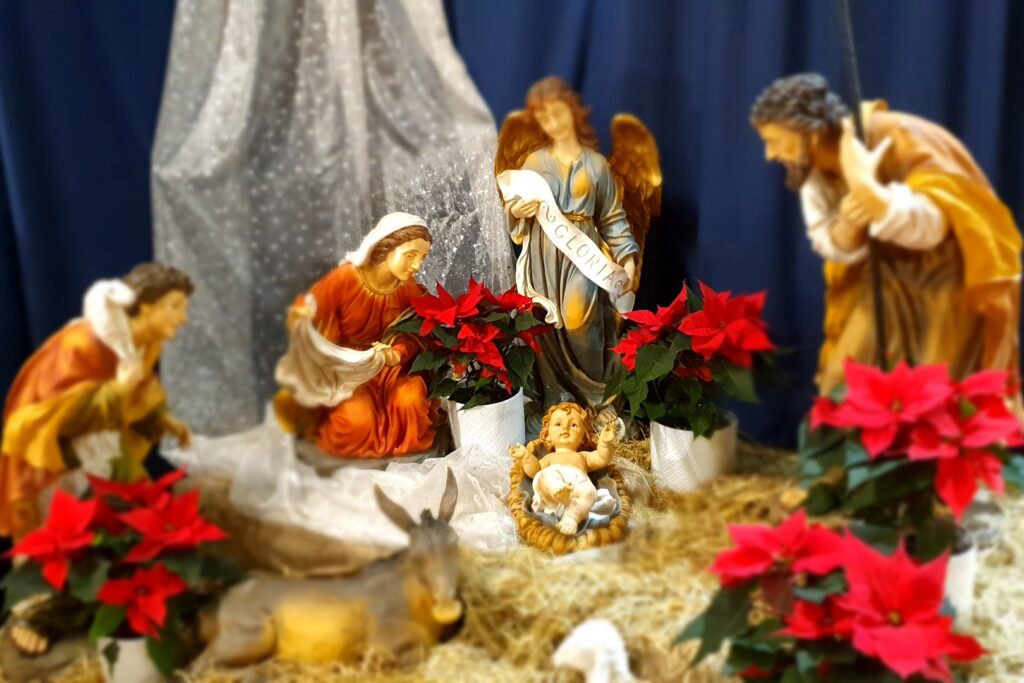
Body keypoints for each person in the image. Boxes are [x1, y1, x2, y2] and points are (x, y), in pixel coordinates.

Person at [751, 73, 1022, 394]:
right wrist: (848, 227)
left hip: (946, 284)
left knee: (935, 395)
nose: (770, 154)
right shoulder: (811, 170)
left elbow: (941, 222)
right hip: (880, 280)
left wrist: (871, 194)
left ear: (810, 132)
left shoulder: (901, 136)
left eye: (774, 141)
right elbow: (826, 237)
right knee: (843, 385)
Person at [0, 263, 194, 538]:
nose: (184, 318)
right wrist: (118, 390)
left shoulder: (147, 343)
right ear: (146, 306)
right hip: (59, 458)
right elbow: (58, 417)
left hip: (107, 445)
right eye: (175, 306)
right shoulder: (80, 344)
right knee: (80, 526)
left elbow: (142, 387)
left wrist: (162, 417)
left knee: (138, 513)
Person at [498, 77, 643, 410]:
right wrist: (516, 212)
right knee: (546, 328)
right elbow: (514, 209)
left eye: (558, 113)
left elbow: (612, 218)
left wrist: (628, 258)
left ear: (574, 110)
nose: (553, 123)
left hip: (582, 255)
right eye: (545, 117)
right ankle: (558, 402)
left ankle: (597, 400)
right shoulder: (534, 162)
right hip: (543, 255)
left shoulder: (597, 164)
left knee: (579, 320)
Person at [274, 212, 438, 458]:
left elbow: (419, 333)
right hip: (349, 372)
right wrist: (303, 320)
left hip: (392, 369)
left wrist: (396, 354)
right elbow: (309, 316)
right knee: (357, 421)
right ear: (386, 246)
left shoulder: (409, 288)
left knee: (410, 401)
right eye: (410, 255)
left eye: (422, 258)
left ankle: (407, 459)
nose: (416, 266)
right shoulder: (345, 278)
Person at [509, 402, 617, 536]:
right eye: (558, 424)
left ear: (583, 437)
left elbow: (601, 458)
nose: (565, 428)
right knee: (545, 476)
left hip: (576, 488)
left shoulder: (583, 456)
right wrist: (526, 457)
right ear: (548, 435)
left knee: (589, 492)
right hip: (552, 491)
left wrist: (605, 443)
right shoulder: (550, 458)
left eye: (573, 425)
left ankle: (571, 518)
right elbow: (534, 471)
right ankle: (558, 490)